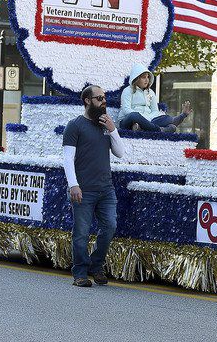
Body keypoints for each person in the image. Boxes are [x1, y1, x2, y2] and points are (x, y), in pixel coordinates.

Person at [63, 85, 126, 287]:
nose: (103, 101)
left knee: (110, 226)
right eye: (99, 98)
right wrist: (73, 185)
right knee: (81, 232)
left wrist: (113, 129)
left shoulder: (105, 125)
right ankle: (80, 273)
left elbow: (120, 153)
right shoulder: (75, 126)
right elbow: (67, 159)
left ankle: (96, 266)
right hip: (83, 189)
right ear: (87, 101)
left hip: (106, 189)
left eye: (104, 98)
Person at [117, 64, 192, 132]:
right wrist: (144, 118)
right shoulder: (127, 90)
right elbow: (126, 109)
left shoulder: (151, 92)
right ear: (136, 79)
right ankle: (158, 129)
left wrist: (148, 118)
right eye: (144, 77)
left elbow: (155, 111)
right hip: (127, 121)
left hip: (148, 120)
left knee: (167, 119)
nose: (147, 80)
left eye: (148, 77)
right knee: (134, 115)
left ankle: (141, 127)